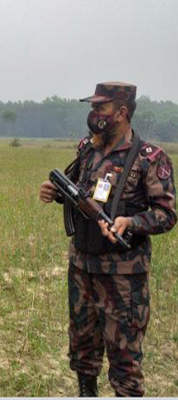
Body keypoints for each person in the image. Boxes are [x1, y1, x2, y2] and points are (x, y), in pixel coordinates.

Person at [39, 82, 176, 397]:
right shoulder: (87, 149)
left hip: (123, 281)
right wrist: (56, 195)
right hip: (82, 270)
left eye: (101, 107)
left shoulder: (149, 157)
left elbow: (166, 214)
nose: (94, 113)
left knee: (125, 364)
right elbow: (79, 196)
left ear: (122, 112)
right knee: (83, 354)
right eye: (93, 107)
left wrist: (131, 222)